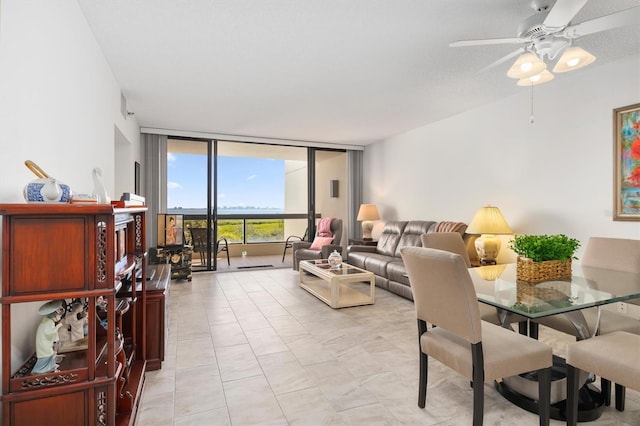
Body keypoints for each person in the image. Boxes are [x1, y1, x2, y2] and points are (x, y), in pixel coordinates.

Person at [32, 300, 65, 374]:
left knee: (50, 356)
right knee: (48, 356)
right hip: (44, 344)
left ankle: (49, 368)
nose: (59, 317)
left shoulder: (47, 321)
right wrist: (58, 326)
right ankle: (38, 370)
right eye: (59, 315)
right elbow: (49, 333)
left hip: (45, 343)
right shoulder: (48, 322)